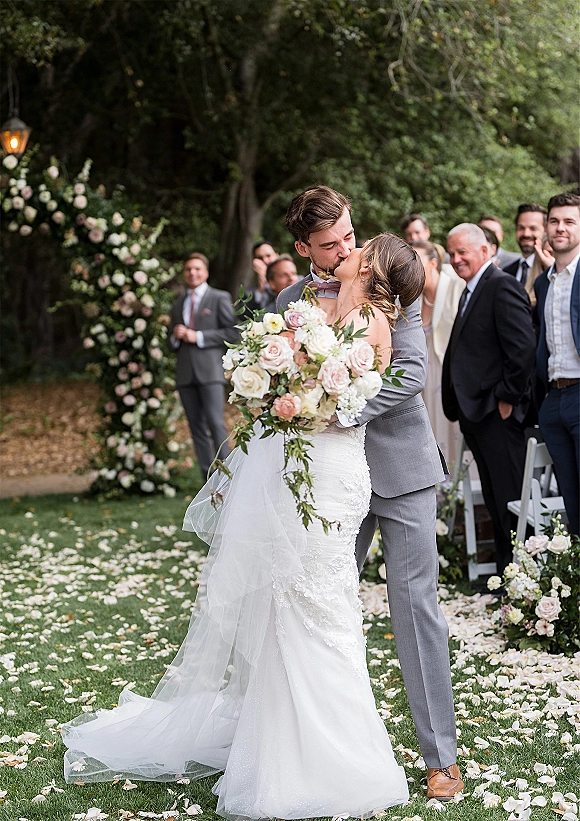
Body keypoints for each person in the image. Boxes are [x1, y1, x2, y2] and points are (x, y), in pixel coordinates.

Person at [61, 234, 416, 818]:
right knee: (291, 603)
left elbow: (329, 391)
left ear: (373, 266)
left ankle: (330, 757)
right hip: (317, 464)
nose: (351, 250)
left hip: (328, 473)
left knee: (315, 605)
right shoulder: (333, 307)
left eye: (362, 246)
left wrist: (292, 382)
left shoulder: (371, 319)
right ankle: (283, 747)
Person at [280, 186, 463, 801]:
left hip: (401, 468)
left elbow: (411, 373)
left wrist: (341, 415)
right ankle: (322, 752)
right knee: (319, 608)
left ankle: (441, 756)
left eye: (349, 236)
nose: (346, 251)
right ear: (304, 247)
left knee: (416, 611)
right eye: (330, 245)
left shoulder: (391, 277)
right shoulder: (288, 301)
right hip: (330, 484)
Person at [442, 224, 536, 573]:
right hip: (476, 414)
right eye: (452, 253)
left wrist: (507, 398)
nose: (456, 259)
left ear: (485, 250)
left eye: (462, 251)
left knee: (509, 499)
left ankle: (521, 575)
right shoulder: (471, 290)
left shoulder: (501, 285)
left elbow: (523, 349)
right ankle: (503, 573)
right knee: (495, 501)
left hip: (498, 413)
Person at [167, 252, 239, 478]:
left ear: (206, 272)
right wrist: (175, 337)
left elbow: (233, 333)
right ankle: (206, 479)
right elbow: (169, 343)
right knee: (196, 428)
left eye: (197, 268)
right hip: (185, 374)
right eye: (188, 269)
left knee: (215, 422)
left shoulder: (219, 298)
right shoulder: (178, 304)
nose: (192, 273)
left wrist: (197, 336)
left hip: (210, 372)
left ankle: (226, 475)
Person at [534, 193, 580, 535]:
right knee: (571, 502)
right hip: (553, 401)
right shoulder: (542, 282)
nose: (560, 227)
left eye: (569, 221)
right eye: (554, 221)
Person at [412, 240, 465, 467]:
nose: (409, 268)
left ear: (434, 263)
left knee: (451, 431)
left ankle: (461, 490)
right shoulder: (410, 297)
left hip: (448, 373)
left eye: (416, 261)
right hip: (422, 378)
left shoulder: (456, 286)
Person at [503, 204, 548, 308]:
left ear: (546, 230)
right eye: (521, 228)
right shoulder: (507, 271)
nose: (526, 234)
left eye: (533, 228)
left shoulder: (550, 271)